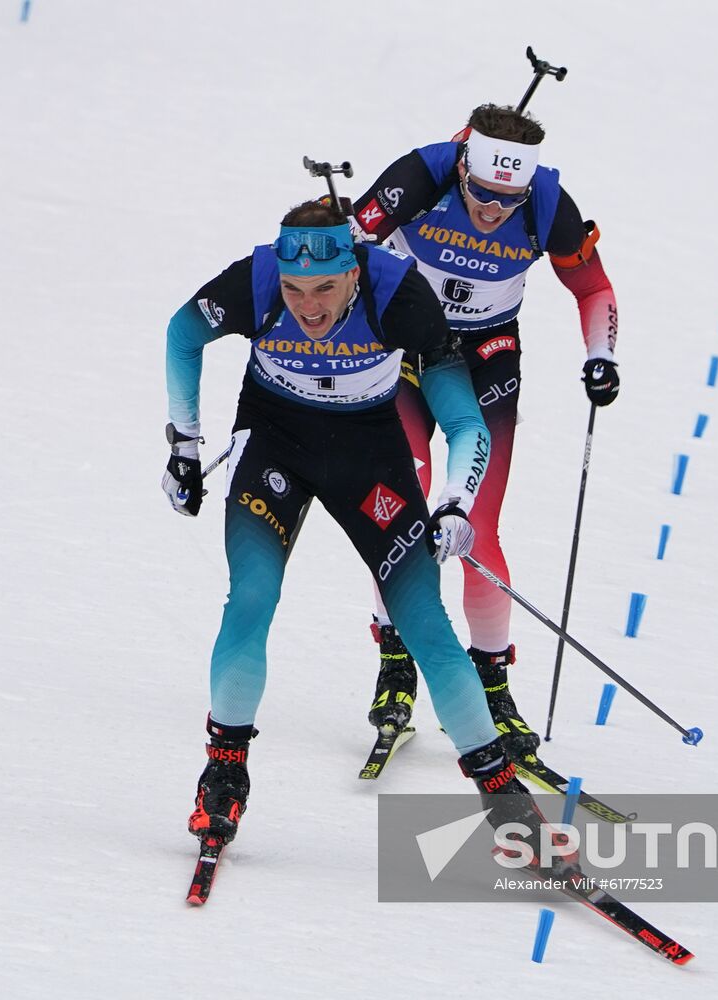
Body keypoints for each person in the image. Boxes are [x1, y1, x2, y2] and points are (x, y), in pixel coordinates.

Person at [161, 199, 545, 850]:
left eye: (324, 289)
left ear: (354, 273)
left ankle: (504, 797)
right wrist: (184, 445)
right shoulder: (256, 280)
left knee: (425, 622)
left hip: (370, 456)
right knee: (251, 597)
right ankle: (223, 774)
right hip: (275, 447)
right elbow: (182, 333)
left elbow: (465, 421)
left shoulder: (399, 293)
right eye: (294, 289)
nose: (308, 307)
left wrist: (456, 500)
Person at [351, 104, 620, 777]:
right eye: (482, 194)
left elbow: (594, 288)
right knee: (402, 514)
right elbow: (341, 245)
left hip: (486, 359)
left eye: (510, 199)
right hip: (401, 356)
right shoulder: (421, 175)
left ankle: (491, 684)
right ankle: (396, 665)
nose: (495, 211)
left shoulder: (548, 201)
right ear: (464, 164)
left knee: (477, 528)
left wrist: (602, 356)